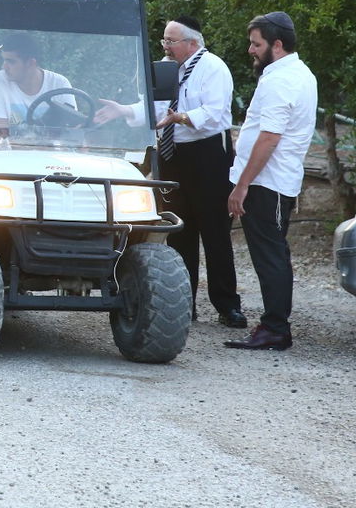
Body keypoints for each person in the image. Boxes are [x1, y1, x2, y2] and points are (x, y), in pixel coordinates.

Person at [97, 17, 246, 328]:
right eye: (164, 40)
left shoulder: (213, 67)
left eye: (171, 41)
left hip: (208, 154)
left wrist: (180, 117)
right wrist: (124, 110)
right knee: (180, 231)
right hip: (172, 154)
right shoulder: (165, 68)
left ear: (192, 43)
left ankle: (227, 305)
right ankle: (184, 303)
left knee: (215, 232)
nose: (165, 46)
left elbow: (215, 112)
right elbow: (154, 107)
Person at [223, 11, 318, 351]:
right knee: (271, 253)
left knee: (271, 256)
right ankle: (274, 326)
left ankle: (276, 328)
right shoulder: (293, 73)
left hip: (268, 183)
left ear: (277, 45)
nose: (251, 50)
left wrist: (242, 185)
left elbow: (269, 138)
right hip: (270, 182)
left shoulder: (283, 80)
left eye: (256, 44)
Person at [0, 32, 73, 138]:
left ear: (30, 63)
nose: (4, 67)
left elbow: (71, 132)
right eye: (4, 60)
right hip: (11, 149)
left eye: (11, 62)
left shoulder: (60, 84)